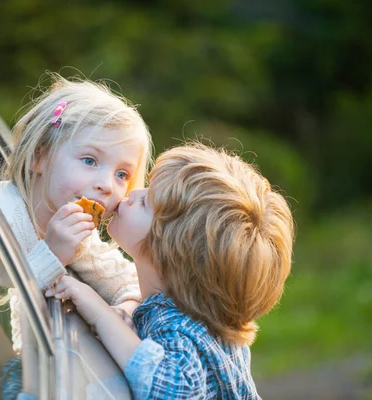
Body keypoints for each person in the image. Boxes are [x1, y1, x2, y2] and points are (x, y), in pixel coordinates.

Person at [46, 142, 295, 399]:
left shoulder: (175, 326)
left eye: (144, 202)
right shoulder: (203, 318)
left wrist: (102, 316)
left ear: (168, 251)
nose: (131, 194)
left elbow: (172, 390)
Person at [0, 73, 153, 351]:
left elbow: (133, 284)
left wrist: (124, 311)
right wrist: (52, 253)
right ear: (39, 156)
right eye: (89, 160)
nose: (106, 185)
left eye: (122, 174)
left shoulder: (82, 241)